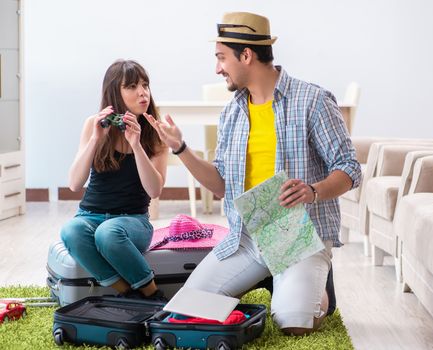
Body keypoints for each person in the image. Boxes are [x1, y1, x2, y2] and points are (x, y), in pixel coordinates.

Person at [145, 12, 361, 334]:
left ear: (246, 56)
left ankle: (311, 288)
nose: (217, 68)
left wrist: (313, 191)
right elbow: (221, 184)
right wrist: (181, 149)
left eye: (221, 58)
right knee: (187, 307)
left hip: (297, 237)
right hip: (245, 238)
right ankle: (275, 281)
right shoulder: (233, 112)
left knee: (293, 322)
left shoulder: (312, 101)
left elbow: (349, 168)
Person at [61, 60, 169, 300]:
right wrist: (95, 140)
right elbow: (74, 183)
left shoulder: (156, 133)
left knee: (108, 233)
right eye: (132, 86)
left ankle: (153, 295)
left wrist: (137, 145)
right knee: (71, 230)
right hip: (90, 216)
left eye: (145, 85)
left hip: (133, 221)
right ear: (114, 93)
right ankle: (128, 293)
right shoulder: (93, 124)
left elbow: (154, 191)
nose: (143, 93)